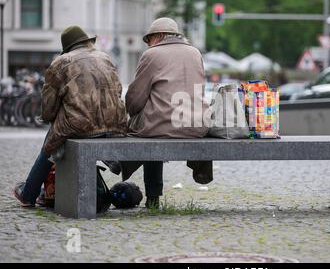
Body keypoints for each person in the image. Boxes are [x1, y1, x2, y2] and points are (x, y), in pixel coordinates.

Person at [13, 26, 128, 207]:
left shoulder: (61, 62)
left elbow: (49, 105)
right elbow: (118, 91)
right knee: (64, 130)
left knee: (49, 145)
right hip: (115, 123)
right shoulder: (106, 58)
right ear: (87, 42)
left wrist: (50, 117)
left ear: (67, 47)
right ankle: (108, 159)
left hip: (80, 125)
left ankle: (28, 194)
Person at [116, 17, 212, 209]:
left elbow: (135, 97)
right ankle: (119, 166)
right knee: (155, 121)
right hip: (197, 125)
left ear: (158, 36)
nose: (148, 45)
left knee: (148, 127)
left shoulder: (152, 55)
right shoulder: (195, 53)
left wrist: (132, 112)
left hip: (163, 125)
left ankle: (147, 192)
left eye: (148, 40)